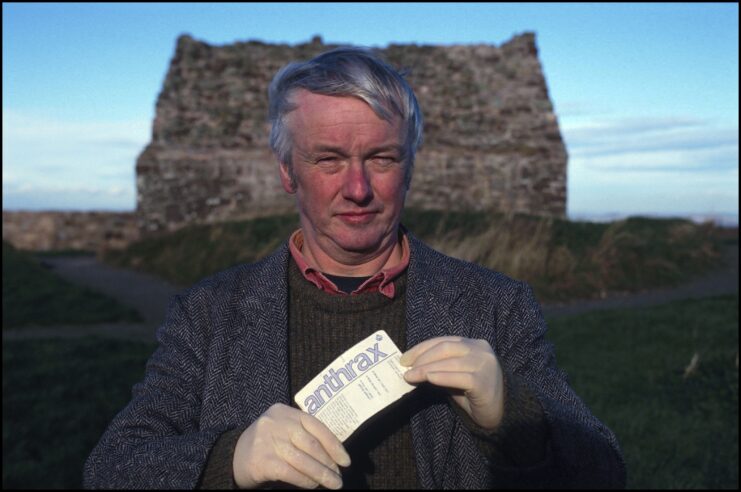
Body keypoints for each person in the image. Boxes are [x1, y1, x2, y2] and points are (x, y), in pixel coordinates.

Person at [84, 46, 626, 489]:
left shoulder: (497, 306)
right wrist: (228, 459)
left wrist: (511, 413)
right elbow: (111, 470)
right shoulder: (207, 313)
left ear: (408, 169)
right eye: (329, 159)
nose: (359, 188)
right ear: (287, 172)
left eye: (381, 159)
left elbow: (604, 472)